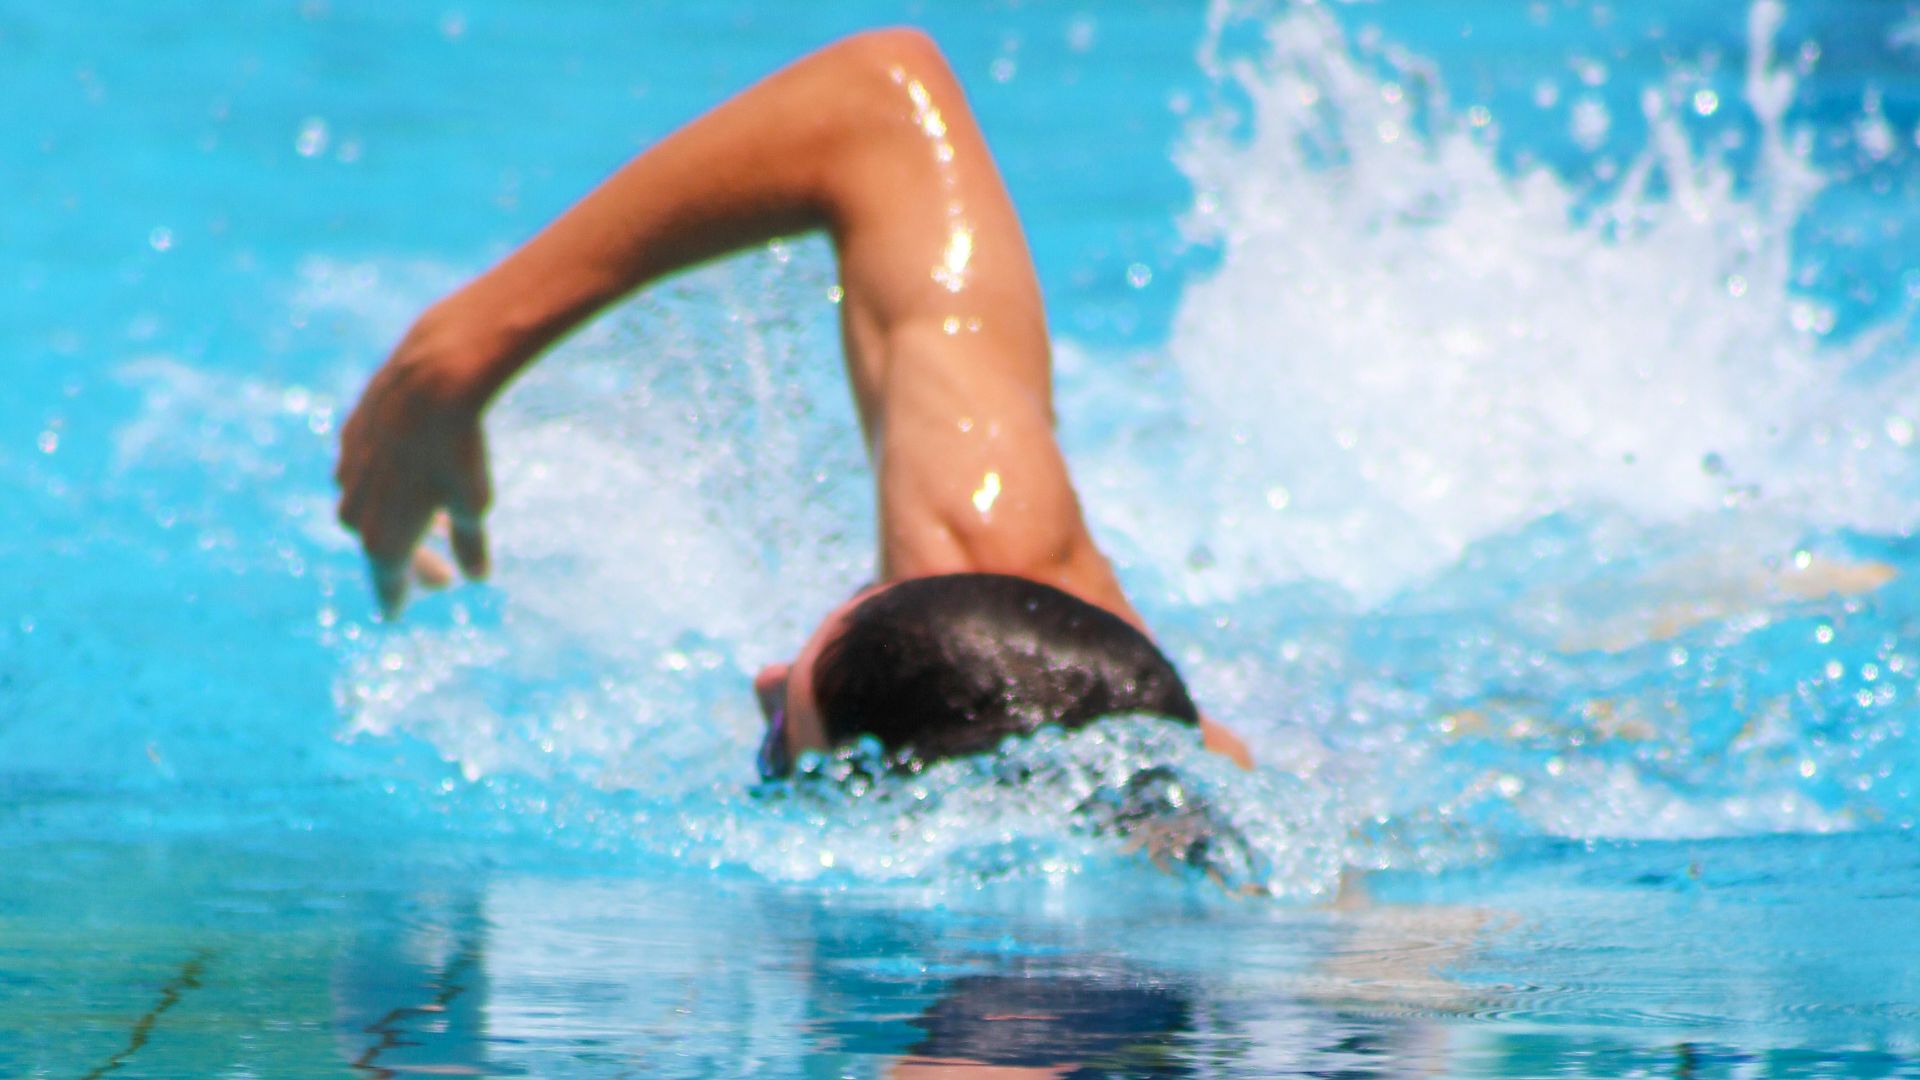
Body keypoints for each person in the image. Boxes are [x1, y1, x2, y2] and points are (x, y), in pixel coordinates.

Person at [335, 28, 1252, 776]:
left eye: (786, 744)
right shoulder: (993, 570)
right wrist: (456, 355)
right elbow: (880, 105)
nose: (763, 679)